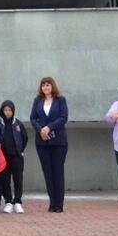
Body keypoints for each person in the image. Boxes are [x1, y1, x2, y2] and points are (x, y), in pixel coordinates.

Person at [30, 76, 69, 213]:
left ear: (52, 86)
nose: (45, 87)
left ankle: (59, 204)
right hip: (42, 141)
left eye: (48, 85)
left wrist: (49, 127)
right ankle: (52, 202)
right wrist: (40, 129)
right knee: (48, 172)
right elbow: (33, 118)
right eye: (43, 85)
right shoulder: (37, 101)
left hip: (58, 141)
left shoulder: (61, 100)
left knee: (57, 171)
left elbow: (63, 118)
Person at [0, 100, 28, 213]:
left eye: (10, 110)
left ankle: (18, 202)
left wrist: (21, 150)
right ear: (2, 111)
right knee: (5, 180)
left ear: (13, 111)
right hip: (4, 158)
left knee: (18, 179)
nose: (8, 112)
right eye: (5, 110)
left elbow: (24, 138)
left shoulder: (18, 124)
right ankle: (8, 201)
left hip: (17, 157)